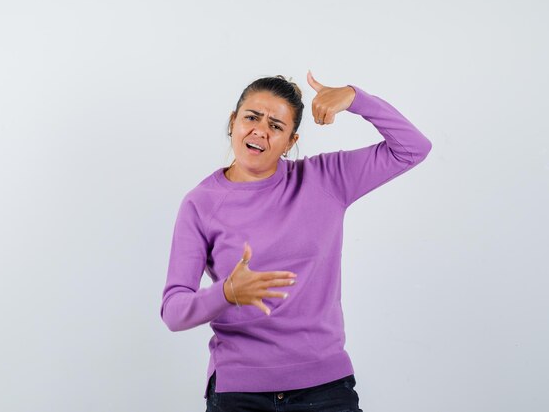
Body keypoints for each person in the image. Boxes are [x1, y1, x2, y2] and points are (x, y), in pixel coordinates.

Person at [160, 71, 432, 412]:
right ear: (233, 122)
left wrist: (354, 98)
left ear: (290, 141)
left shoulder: (325, 179)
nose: (260, 130)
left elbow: (413, 149)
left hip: (325, 390)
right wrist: (227, 293)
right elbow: (173, 311)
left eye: (276, 125)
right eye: (251, 117)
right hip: (239, 394)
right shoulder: (200, 204)